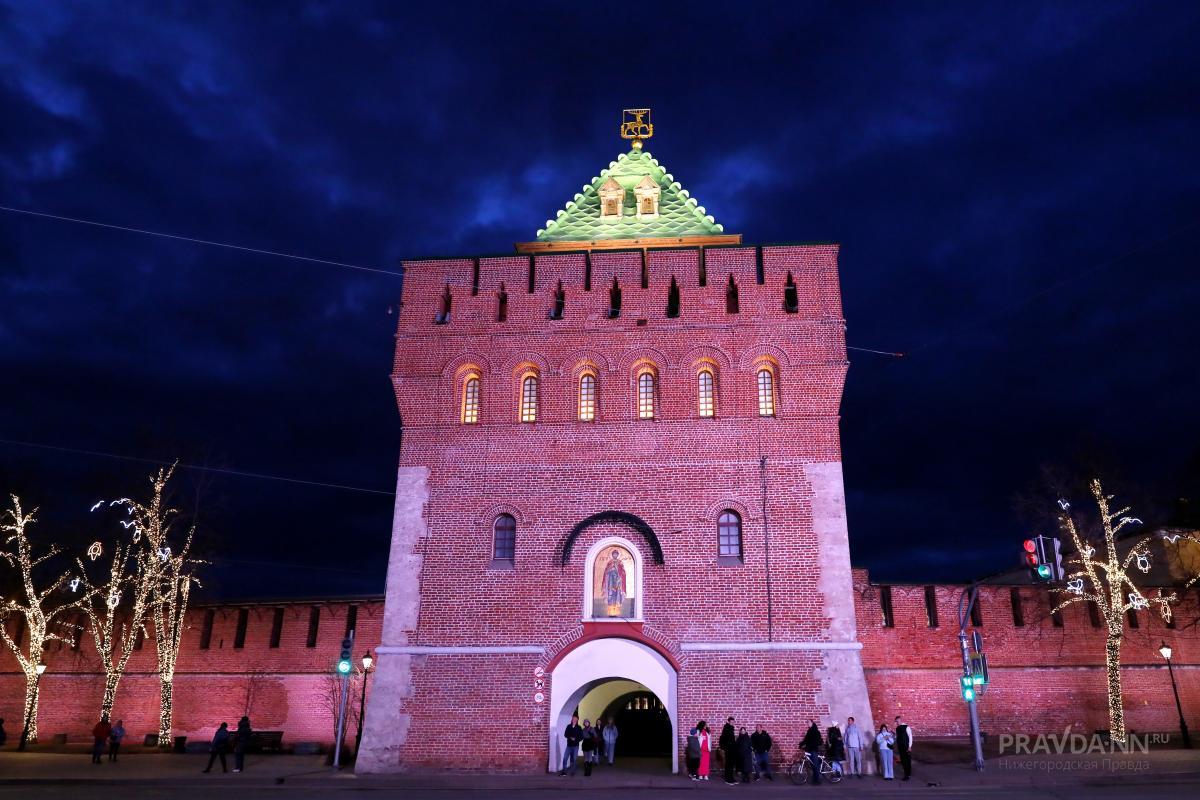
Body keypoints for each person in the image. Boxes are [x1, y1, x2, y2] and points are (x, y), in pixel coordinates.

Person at [802, 720, 823, 785]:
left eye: (809, 722)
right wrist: (801, 744)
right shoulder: (809, 731)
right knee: (812, 765)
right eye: (807, 723)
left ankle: (818, 780)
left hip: (814, 750)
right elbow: (806, 739)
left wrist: (810, 745)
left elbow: (817, 741)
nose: (808, 724)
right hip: (809, 750)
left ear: (812, 723)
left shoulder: (816, 731)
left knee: (815, 765)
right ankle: (814, 779)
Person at [719, 716, 738, 785]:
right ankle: (728, 779)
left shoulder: (731, 728)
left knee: (731, 764)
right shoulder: (726, 728)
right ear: (728, 722)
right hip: (728, 749)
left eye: (733, 722)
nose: (733, 723)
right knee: (729, 764)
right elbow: (723, 738)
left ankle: (731, 777)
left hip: (732, 749)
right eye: (731, 722)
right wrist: (724, 748)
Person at [894, 716, 913, 781]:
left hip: (906, 746)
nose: (897, 722)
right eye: (896, 721)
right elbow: (897, 737)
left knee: (907, 761)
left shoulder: (906, 727)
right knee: (903, 761)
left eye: (898, 721)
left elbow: (910, 737)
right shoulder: (897, 728)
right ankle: (906, 774)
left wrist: (910, 746)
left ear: (900, 720)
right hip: (900, 747)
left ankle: (908, 774)